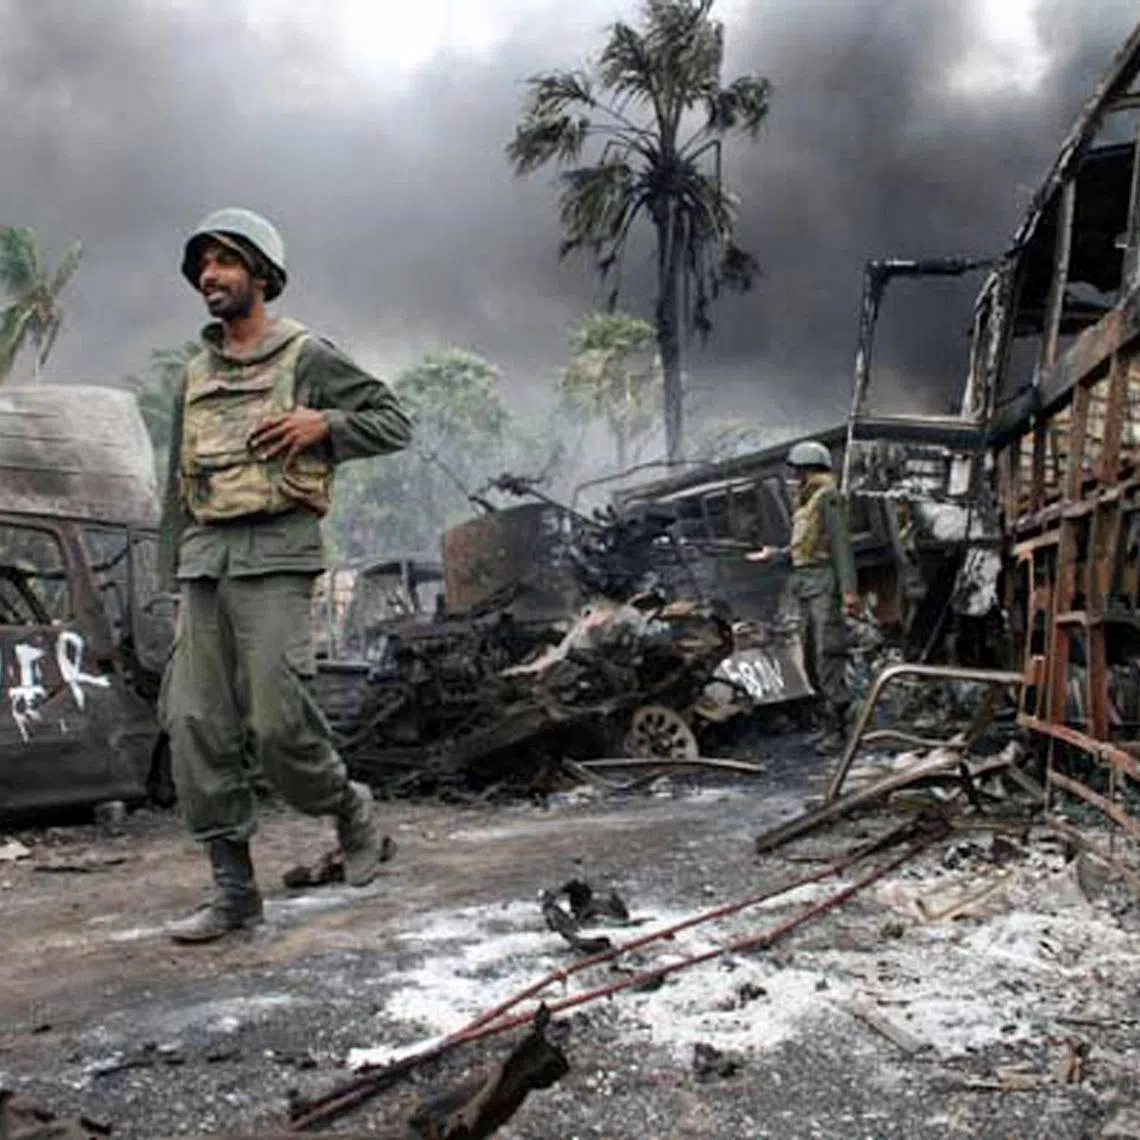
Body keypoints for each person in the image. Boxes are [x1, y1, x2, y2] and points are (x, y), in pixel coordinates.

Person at [158, 207, 413, 944]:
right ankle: (234, 891)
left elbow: (393, 421)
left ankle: (348, 806)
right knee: (194, 722)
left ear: (260, 275)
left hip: (275, 554)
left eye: (226, 262)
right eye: (203, 264)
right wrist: (167, 578)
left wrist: (323, 426)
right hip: (205, 562)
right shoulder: (193, 376)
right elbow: (175, 480)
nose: (211, 275)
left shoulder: (306, 355)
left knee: (276, 723)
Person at [745, 440, 859, 753]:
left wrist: (849, 591)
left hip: (825, 583)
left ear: (810, 470)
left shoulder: (829, 498)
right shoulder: (807, 503)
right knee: (810, 657)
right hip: (808, 584)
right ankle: (828, 724)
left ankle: (840, 729)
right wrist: (774, 554)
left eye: (798, 470)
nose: (795, 476)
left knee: (827, 655)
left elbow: (841, 547)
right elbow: (802, 550)